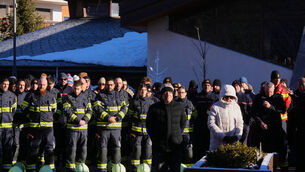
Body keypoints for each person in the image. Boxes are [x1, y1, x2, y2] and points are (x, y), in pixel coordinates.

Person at [146, 84, 186, 172]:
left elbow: (183, 123)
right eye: (165, 93)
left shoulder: (179, 107)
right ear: (162, 95)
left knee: (175, 169)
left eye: (170, 93)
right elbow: (149, 125)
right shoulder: (154, 108)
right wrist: (155, 139)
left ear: (173, 94)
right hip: (159, 146)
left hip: (175, 146)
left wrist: (176, 135)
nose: (168, 95)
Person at [21, 77, 57, 171]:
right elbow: (24, 109)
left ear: (47, 85)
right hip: (34, 128)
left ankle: (50, 169)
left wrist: (49, 117)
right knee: (33, 150)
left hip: (48, 128)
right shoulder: (30, 95)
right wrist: (31, 117)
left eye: (43, 85)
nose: (41, 86)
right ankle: (31, 169)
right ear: (37, 84)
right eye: (40, 84)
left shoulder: (51, 96)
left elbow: (54, 110)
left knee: (49, 150)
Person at [251, 82, 287, 172]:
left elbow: (283, 110)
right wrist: (260, 123)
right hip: (263, 129)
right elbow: (253, 113)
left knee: (276, 151)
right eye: (267, 92)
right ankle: (266, 168)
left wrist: (271, 107)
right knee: (266, 152)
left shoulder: (278, 97)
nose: (269, 94)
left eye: (271, 92)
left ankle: (277, 167)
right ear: (264, 90)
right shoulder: (259, 97)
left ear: (274, 90)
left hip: (276, 129)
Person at [94, 78, 127, 172]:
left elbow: (125, 108)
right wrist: (108, 117)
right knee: (103, 149)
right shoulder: (100, 95)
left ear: (114, 85)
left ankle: (115, 168)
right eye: (107, 84)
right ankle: (102, 170)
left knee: (117, 149)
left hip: (116, 128)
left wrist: (117, 118)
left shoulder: (120, 96)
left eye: (111, 84)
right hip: (104, 128)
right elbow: (97, 107)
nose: (109, 86)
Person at [62, 80, 92, 171]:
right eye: (75, 89)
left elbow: (90, 111)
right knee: (72, 151)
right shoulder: (68, 98)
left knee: (83, 151)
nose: (76, 91)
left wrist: (85, 120)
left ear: (81, 88)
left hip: (83, 129)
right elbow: (67, 111)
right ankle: (70, 169)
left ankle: (80, 168)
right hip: (72, 129)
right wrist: (78, 121)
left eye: (78, 89)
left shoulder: (86, 98)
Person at [208, 84, 243, 151]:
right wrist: (223, 137)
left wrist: (237, 136)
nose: (229, 99)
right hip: (217, 145)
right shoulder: (215, 107)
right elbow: (211, 124)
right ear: (222, 96)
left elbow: (240, 123)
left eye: (231, 97)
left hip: (233, 144)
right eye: (226, 97)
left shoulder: (236, 107)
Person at [128, 84, 154, 171]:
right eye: (141, 90)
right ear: (139, 91)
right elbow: (130, 117)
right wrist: (131, 132)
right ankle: (135, 170)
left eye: (144, 90)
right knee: (136, 152)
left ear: (147, 91)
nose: (143, 92)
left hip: (148, 133)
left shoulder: (151, 103)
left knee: (148, 153)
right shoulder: (134, 102)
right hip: (136, 133)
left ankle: (147, 169)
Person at [193, 79, 218, 160]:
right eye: (205, 85)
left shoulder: (215, 98)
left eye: (208, 85)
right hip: (199, 124)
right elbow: (194, 110)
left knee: (209, 145)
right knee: (200, 146)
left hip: (210, 124)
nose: (206, 87)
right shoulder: (197, 97)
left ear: (211, 87)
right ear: (202, 86)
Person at [0, 77, 17, 171]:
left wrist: (10, 118)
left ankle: (6, 169)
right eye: (4, 83)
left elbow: (13, 110)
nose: (5, 85)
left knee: (7, 149)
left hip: (8, 128)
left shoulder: (12, 96)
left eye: (7, 84)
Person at [175, 86, 195, 166]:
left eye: (182, 92)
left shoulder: (190, 103)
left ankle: (189, 169)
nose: (180, 94)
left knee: (189, 153)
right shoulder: (174, 103)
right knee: (177, 153)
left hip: (188, 133)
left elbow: (195, 116)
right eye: (179, 92)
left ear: (186, 93)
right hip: (177, 133)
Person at [12, 79, 28, 164]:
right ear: (17, 85)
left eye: (23, 85)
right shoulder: (13, 95)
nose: (21, 86)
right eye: (20, 85)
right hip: (15, 125)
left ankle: (23, 163)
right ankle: (14, 162)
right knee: (16, 145)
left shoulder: (27, 95)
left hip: (25, 125)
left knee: (24, 145)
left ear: (25, 87)